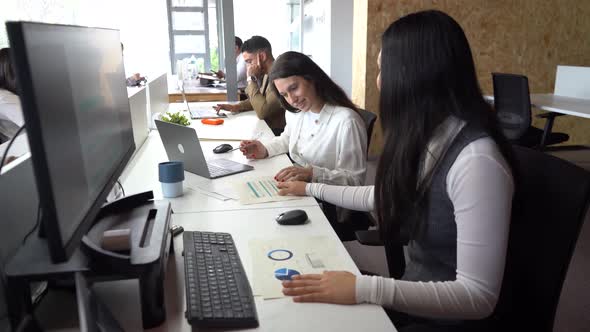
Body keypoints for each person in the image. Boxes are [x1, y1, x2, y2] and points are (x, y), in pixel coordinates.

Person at [276, 10, 515, 331]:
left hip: (448, 318)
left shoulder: (477, 160)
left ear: (416, 74)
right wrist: (310, 188)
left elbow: (478, 297)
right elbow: (384, 196)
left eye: (382, 69)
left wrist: (364, 288)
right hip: (415, 292)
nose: (378, 80)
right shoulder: (435, 136)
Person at [239, 51, 367, 188]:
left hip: (326, 198)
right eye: (284, 95)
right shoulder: (296, 112)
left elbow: (355, 181)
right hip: (299, 186)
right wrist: (264, 149)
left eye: (294, 88)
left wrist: (312, 174)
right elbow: (287, 139)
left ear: (312, 78)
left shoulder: (347, 122)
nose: (292, 100)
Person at [214, 36, 286, 135]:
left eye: (249, 61)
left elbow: (262, 111)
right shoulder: (266, 74)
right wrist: (235, 107)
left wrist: (250, 79)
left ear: (262, 57)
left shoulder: (279, 76)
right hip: (267, 129)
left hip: (276, 133)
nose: (248, 67)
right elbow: (260, 98)